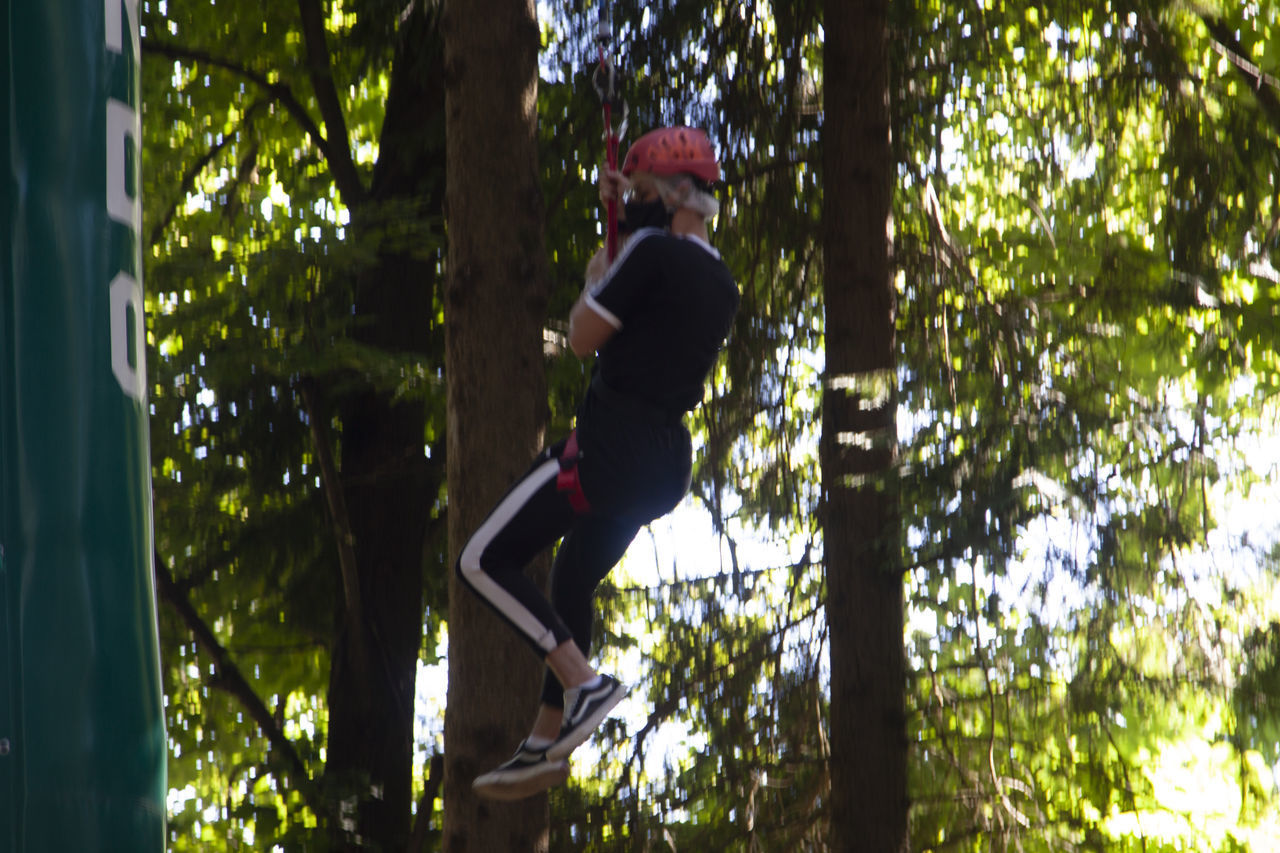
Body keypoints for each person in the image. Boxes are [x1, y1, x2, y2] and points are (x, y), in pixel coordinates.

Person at [457, 126, 739, 800]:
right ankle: (545, 739)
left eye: (645, 193)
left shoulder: (648, 249)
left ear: (675, 194)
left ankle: (584, 682)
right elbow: (645, 318)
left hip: (609, 452)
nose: (637, 205)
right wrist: (618, 222)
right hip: (662, 471)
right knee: (574, 578)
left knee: (481, 559)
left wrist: (596, 272)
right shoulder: (720, 280)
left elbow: (584, 337)